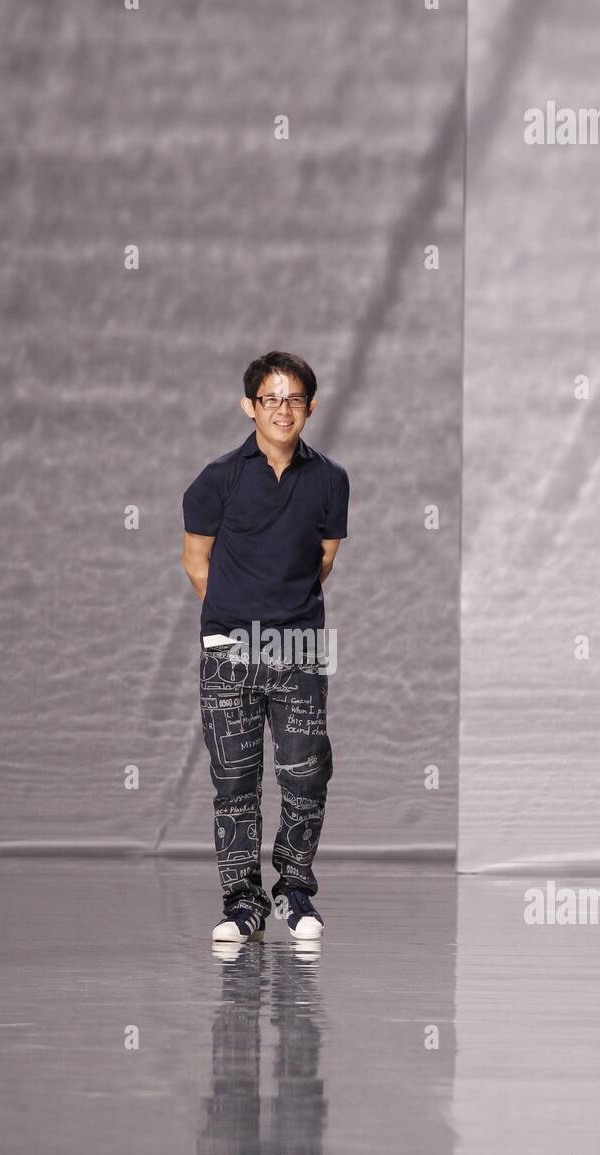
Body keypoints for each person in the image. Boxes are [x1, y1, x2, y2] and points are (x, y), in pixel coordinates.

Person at [181, 351, 349, 943]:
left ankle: (294, 890)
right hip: (229, 650)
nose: (283, 409)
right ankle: (241, 903)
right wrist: (241, 618)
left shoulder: (330, 480)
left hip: (298, 647)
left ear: (310, 406)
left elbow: (323, 559)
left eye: (294, 398)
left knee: (306, 771)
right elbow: (195, 562)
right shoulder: (217, 478)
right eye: (271, 398)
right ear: (249, 405)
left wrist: (282, 615)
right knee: (234, 779)